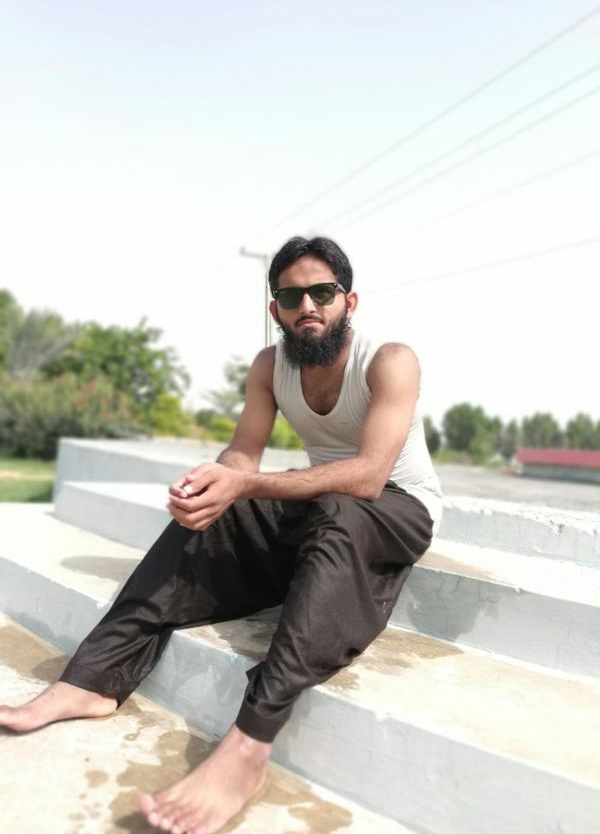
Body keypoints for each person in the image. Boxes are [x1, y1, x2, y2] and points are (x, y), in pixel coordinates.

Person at [0, 236, 442, 834]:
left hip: (397, 506)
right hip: (326, 503)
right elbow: (242, 454)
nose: (307, 306)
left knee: (334, 508)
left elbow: (367, 478)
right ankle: (91, 682)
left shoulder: (389, 360)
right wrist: (213, 483)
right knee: (221, 508)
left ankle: (248, 747)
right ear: (275, 309)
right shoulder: (270, 367)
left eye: (322, 292)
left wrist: (247, 483)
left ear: (349, 301)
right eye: (291, 296)